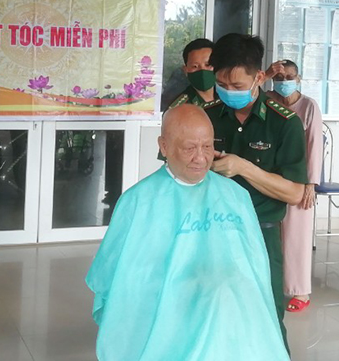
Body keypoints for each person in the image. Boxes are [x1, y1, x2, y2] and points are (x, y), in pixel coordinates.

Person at [86, 104, 288, 360]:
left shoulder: (235, 196)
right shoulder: (138, 201)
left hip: (232, 326)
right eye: (189, 148)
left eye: (207, 146)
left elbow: (256, 272)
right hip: (169, 319)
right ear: (164, 146)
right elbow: (118, 282)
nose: (201, 158)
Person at [206, 33, 308, 350]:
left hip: (260, 234)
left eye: (237, 86)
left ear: (259, 77)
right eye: (222, 84)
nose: (229, 92)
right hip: (210, 232)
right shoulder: (207, 116)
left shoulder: (284, 123)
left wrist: (245, 167)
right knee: (213, 316)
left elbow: (294, 193)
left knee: (266, 316)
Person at [266, 60, 323, 312]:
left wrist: (310, 183)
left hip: (299, 179)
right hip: (269, 176)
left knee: (296, 236)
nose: (284, 81)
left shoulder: (309, 106)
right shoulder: (266, 99)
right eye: (279, 77)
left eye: (289, 77)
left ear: (298, 79)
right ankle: (272, 285)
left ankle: (300, 291)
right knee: (270, 233)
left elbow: (314, 146)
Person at [168, 38, 220, 109]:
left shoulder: (227, 98)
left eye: (208, 65)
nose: (202, 70)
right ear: (185, 70)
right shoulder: (178, 108)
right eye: (195, 66)